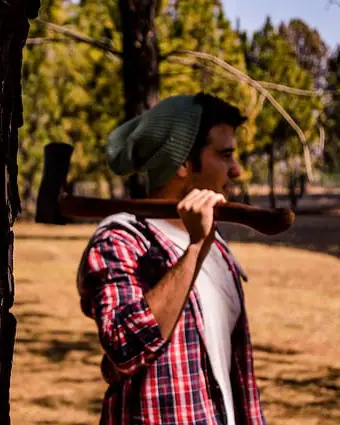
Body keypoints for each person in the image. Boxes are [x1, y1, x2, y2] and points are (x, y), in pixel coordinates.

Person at [77, 92, 267, 425]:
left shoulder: (215, 241)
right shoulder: (120, 240)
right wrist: (194, 249)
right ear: (181, 162)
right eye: (225, 155)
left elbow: (233, 368)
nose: (236, 170)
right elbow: (124, 350)